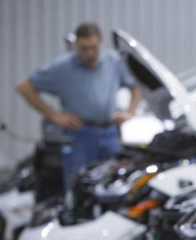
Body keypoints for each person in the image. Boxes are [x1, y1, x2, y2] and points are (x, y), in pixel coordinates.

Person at [16, 22, 141, 190]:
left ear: (101, 43)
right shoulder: (62, 67)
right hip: (80, 135)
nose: (89, 54)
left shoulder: (113, 61)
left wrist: (130, 112)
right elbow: (24, 87)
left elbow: (136, 86)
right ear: (76, 45)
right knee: (77, 185)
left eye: (93, 48)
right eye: (84, 48)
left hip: (110, 133)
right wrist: (54, 115)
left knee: (111, 184)